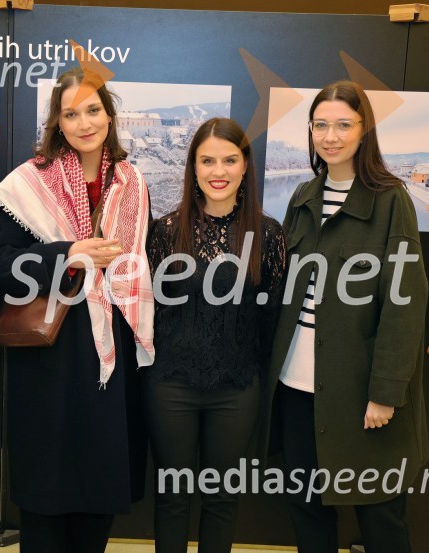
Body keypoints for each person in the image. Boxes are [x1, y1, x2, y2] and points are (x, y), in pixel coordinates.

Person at [0, 67, 154, 553]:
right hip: (50, 360)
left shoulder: (132, 181)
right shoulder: (28, 183)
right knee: (47, 491)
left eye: (93, 110)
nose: (85, 123)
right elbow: (0, 267)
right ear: (57, 123)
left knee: (98, 491)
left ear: (110, 115)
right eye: (71, 114)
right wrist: (68, 254)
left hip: (112, 359)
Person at [267, 80, 429, 553]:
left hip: (360, 391)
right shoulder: (302, 196)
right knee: (306, 510)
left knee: (380, 516)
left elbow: (404, 305)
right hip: (296, 386)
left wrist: (385, 393)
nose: (330, 136)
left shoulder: (391, 200)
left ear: (364, 130)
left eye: (343, 125)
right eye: (320, 125)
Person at [145, 118, 287, 553]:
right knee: (172, 497)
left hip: (237, 389)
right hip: (171, 385)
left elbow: (271, 317)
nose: (218, 171)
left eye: (229, 160)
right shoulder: (166, 231)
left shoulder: (269, 235)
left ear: (245, 166)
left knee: (222, 499)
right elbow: (149, 309)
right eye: (207, 161)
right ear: (193, 167)